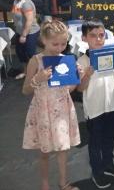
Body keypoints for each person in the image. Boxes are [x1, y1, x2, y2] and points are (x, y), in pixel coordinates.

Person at [22, 20, 81, 190]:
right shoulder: (36, 61)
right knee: (45, 151)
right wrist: (37, 79)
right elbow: (25, 90)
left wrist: (78, 76)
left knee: (63, 149)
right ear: (44, 40)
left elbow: (69, 90)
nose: (59, 47)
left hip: (62, 110)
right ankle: (45, 184)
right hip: (42, 111)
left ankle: (63, 183)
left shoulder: (66, 60)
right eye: (55, 43)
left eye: (63, 43)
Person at [77, 19, 114, 189]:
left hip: (112, 105)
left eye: (101, 35)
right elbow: (80, 88)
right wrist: (87, 74)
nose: (98, 39)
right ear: (84, 38)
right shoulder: (82, 61)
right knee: (95, 141)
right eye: (93, 36)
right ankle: (97, 172)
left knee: (109, 138)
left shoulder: (112, 55)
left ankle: (108, 164)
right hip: (95, 108)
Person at [8, 0, 40, 79]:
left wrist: (24, 35)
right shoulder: (16, 2)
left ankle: (38, 73)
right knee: (20, 52)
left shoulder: (26, 3)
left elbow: (29, 20)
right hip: (20, 32)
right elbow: (14, 15)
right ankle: (26, 72)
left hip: (30, 32)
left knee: (30, 53)